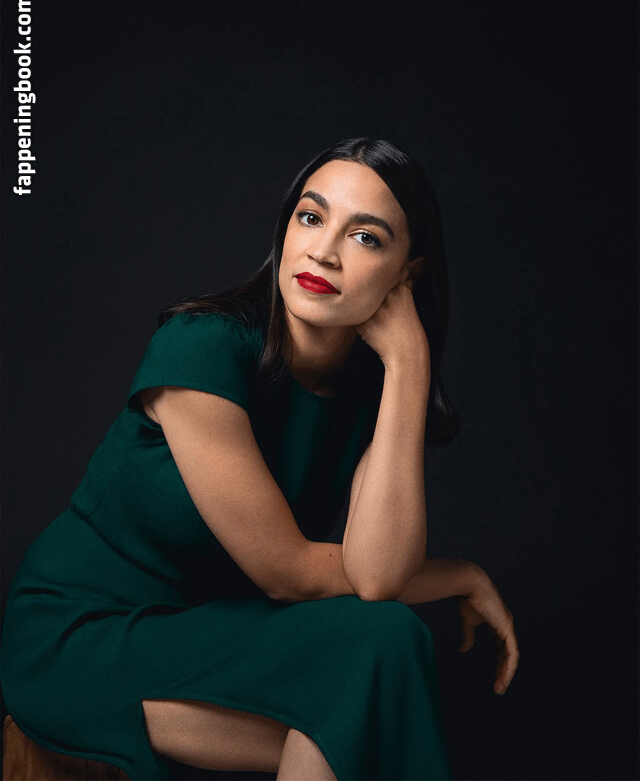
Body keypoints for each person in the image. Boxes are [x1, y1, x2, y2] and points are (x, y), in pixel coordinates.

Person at [0, 136, 519, 781]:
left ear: (406, 274)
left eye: (365, 237)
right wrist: (460, 575)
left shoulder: (368, 391)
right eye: (311, 217)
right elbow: (289, 573)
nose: (324, 251)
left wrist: (408, 364)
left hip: (204, 632)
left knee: (385, 646)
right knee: (372, 687)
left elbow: (379, 578)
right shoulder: (202, 347)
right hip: (81, 637)